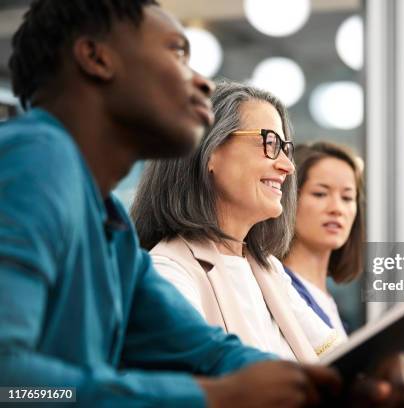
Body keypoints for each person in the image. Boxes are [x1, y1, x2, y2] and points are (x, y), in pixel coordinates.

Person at [0, 1, 342, 406]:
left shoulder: (111, 228)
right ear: (96, 57)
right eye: (177, 52)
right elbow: (13, 386)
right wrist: (211, 396)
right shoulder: (35, 158)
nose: (200, 82)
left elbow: (209, 351)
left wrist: (342, 384)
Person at [131, 81, 404, 407]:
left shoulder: (267, 268)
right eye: (269, 143)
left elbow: (331, 351)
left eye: (285, 149)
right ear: (210, 151)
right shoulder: (170, 270)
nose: (287, 166)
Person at [282, 142, 365, 339]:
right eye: (320, 193)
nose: (337, 208)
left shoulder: (327, 301)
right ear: (289, 199)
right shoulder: (279, 287)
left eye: (347, 197)